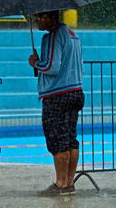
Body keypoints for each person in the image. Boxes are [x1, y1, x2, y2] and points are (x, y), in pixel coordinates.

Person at [28, 10, 84, 196]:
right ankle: (69, 183)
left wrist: (35, 63)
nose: (37, 20)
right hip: (75, 92)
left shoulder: (52, 37)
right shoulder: (72, 34)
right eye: (37, 16)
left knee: (57, 140)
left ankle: (60, 184)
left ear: (52, 17)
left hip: (57, 95)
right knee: (70, 139)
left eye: (41, 16)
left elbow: (52, 67)